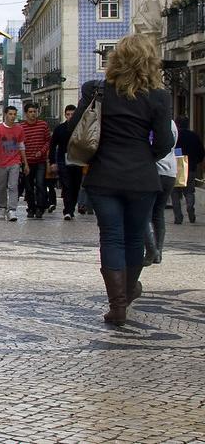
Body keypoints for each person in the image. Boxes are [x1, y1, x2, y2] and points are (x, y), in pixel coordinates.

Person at [75, 33, 173, 325]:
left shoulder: (98, 90)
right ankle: (127, 296)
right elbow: (165, 141)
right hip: (141, 177)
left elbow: (75, 130)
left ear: (115, 59)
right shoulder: (158, 96)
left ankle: (117, 305)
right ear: (150, 61)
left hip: (103, 175)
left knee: (112, 237)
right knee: (133, 238)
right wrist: (145, 158)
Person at [146, 120, 177, 266]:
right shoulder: (171, 124)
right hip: (170, 172)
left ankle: (152, 250)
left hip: (153, 171)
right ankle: (158, 251)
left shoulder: (149, 120)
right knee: (158, 213)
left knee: (145, 212)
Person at [0, 105, 26, 222]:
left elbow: (21, 146)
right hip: (1, 162)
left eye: (14, 114)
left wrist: (25, 163)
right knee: (1, 186)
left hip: (15, 161)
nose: (12, 117)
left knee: (13, 185)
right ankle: (2, 207)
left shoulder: (19, 129)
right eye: (10, 114)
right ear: (5, 115)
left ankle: (12, 210)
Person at [50, 104, 83, 221]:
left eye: (72, 114)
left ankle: (71, 208)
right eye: (68, 114)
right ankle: (67, 210)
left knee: (76, 186)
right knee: (67, 185)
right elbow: (53, 145)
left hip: (78, 159)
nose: (70, 117)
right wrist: (53, 162)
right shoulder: (60, 129)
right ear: (65, 115)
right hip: (63, 160)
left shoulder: (81, 128)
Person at [20, 102, 51, 218]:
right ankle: (31, 208)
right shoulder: (21, 127)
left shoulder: (43, 125)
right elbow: (20, 144)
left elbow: (48, 141)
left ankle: (40, 207)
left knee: (40, 184)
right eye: (30, 112)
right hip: (27, 162)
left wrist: (41, 151)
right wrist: (23, 161)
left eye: (34, 112)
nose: (33, 114)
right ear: (26, 114)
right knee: (28, 187)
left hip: (40, 161)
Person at [172, 117, 204, 224]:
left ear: (177, 124)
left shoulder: (174, 135)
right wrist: (195, 162)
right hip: (190, 167)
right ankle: (190, 207)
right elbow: (201, 152)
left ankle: (178, 217)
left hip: (175, 167)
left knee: (175, 193)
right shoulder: (194, 136)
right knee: (189, 191)